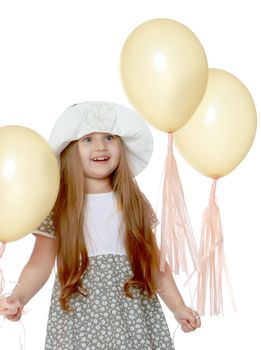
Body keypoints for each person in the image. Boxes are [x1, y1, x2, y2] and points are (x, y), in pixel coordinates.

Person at [0, 101, 200, 349]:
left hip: (133, 318)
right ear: (71, 148)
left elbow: (155, 264)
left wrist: (178, 307)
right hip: (80, 320)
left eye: (109, 137)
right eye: (88, 139)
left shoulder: (132, 202)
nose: (101, 146)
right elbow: (40, 263)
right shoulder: (59, 205)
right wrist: (19, 296)